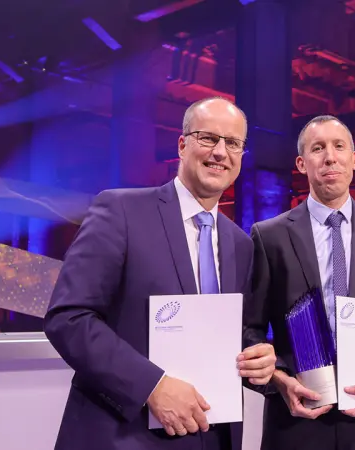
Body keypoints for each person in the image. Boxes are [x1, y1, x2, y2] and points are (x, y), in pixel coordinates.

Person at [44, 97, 277, 450]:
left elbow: (231, 335)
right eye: (208, 138)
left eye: (233, 143)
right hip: (125, 436)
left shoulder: (240, 244)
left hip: (212, 436)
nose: (220, 152)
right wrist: (151, 385)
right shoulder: (121, 211)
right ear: (182, 145)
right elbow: (69, 317)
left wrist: (257, 360)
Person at [243, 115, 355, 450]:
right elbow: (251, 329)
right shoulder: (269, 236)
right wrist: (280, 380)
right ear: (301, 163)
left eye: (339, 147)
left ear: (354, 159)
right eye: (318, 148)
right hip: (297, 420)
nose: (330, 157)